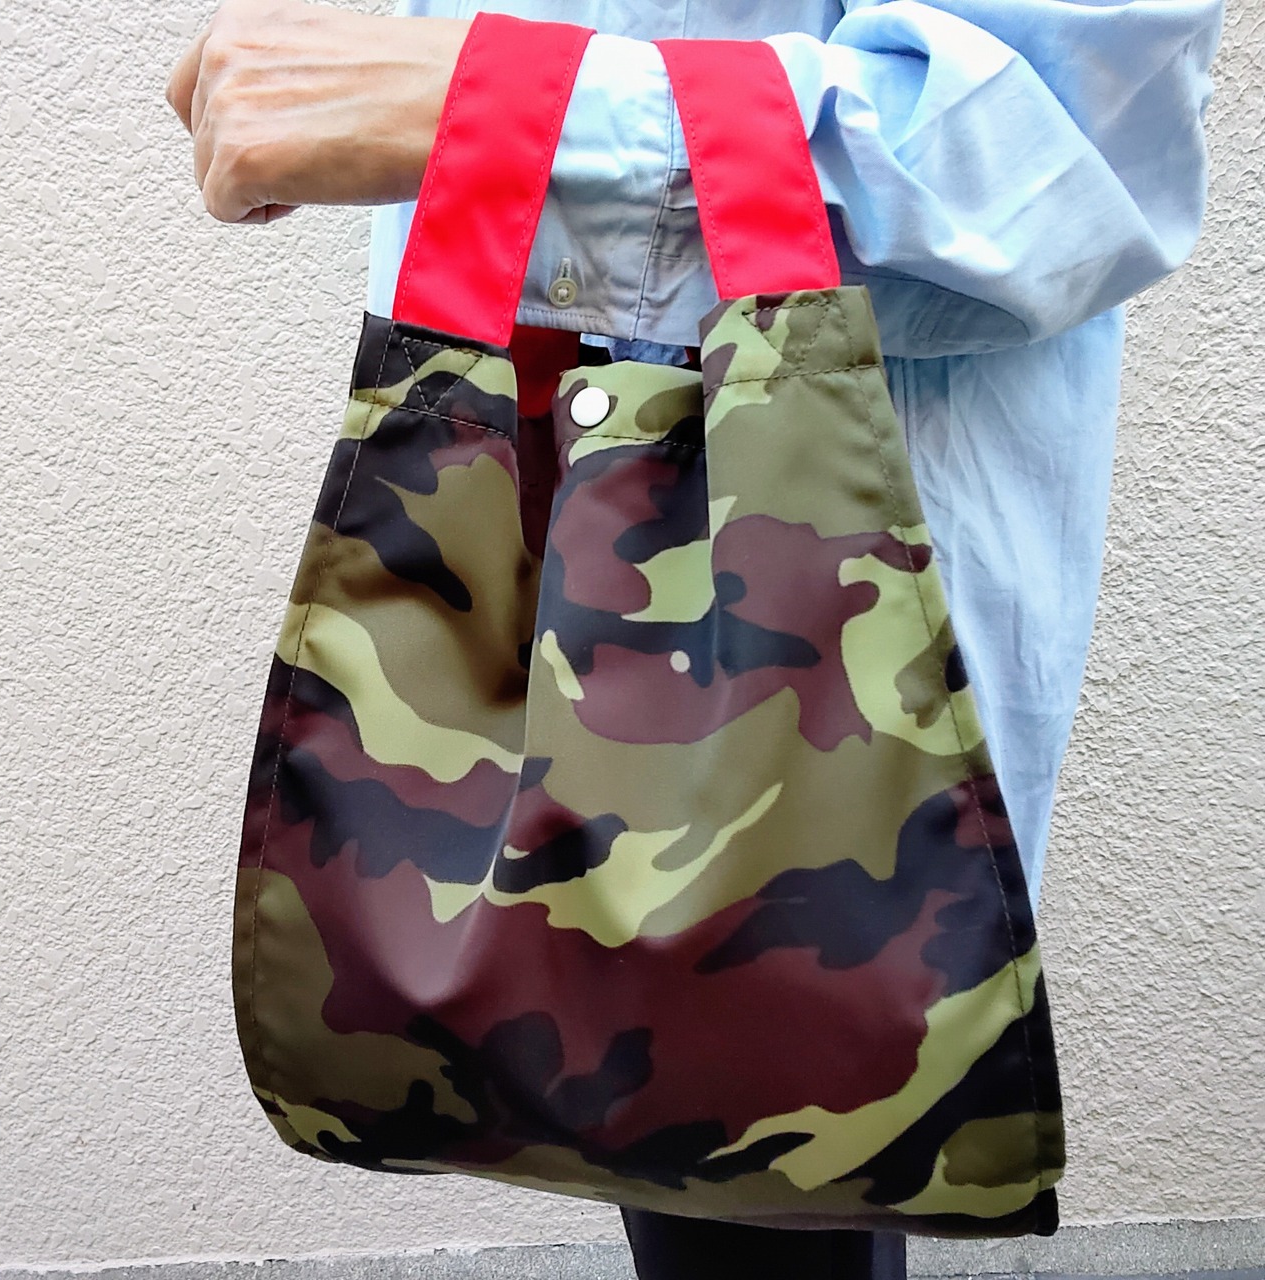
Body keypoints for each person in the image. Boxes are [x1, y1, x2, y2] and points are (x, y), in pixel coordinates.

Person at [167, 1, 1224, 1277]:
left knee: (772, 1153)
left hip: (807, 626)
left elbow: (1066, 149)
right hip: (525, 496)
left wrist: (503, 105)